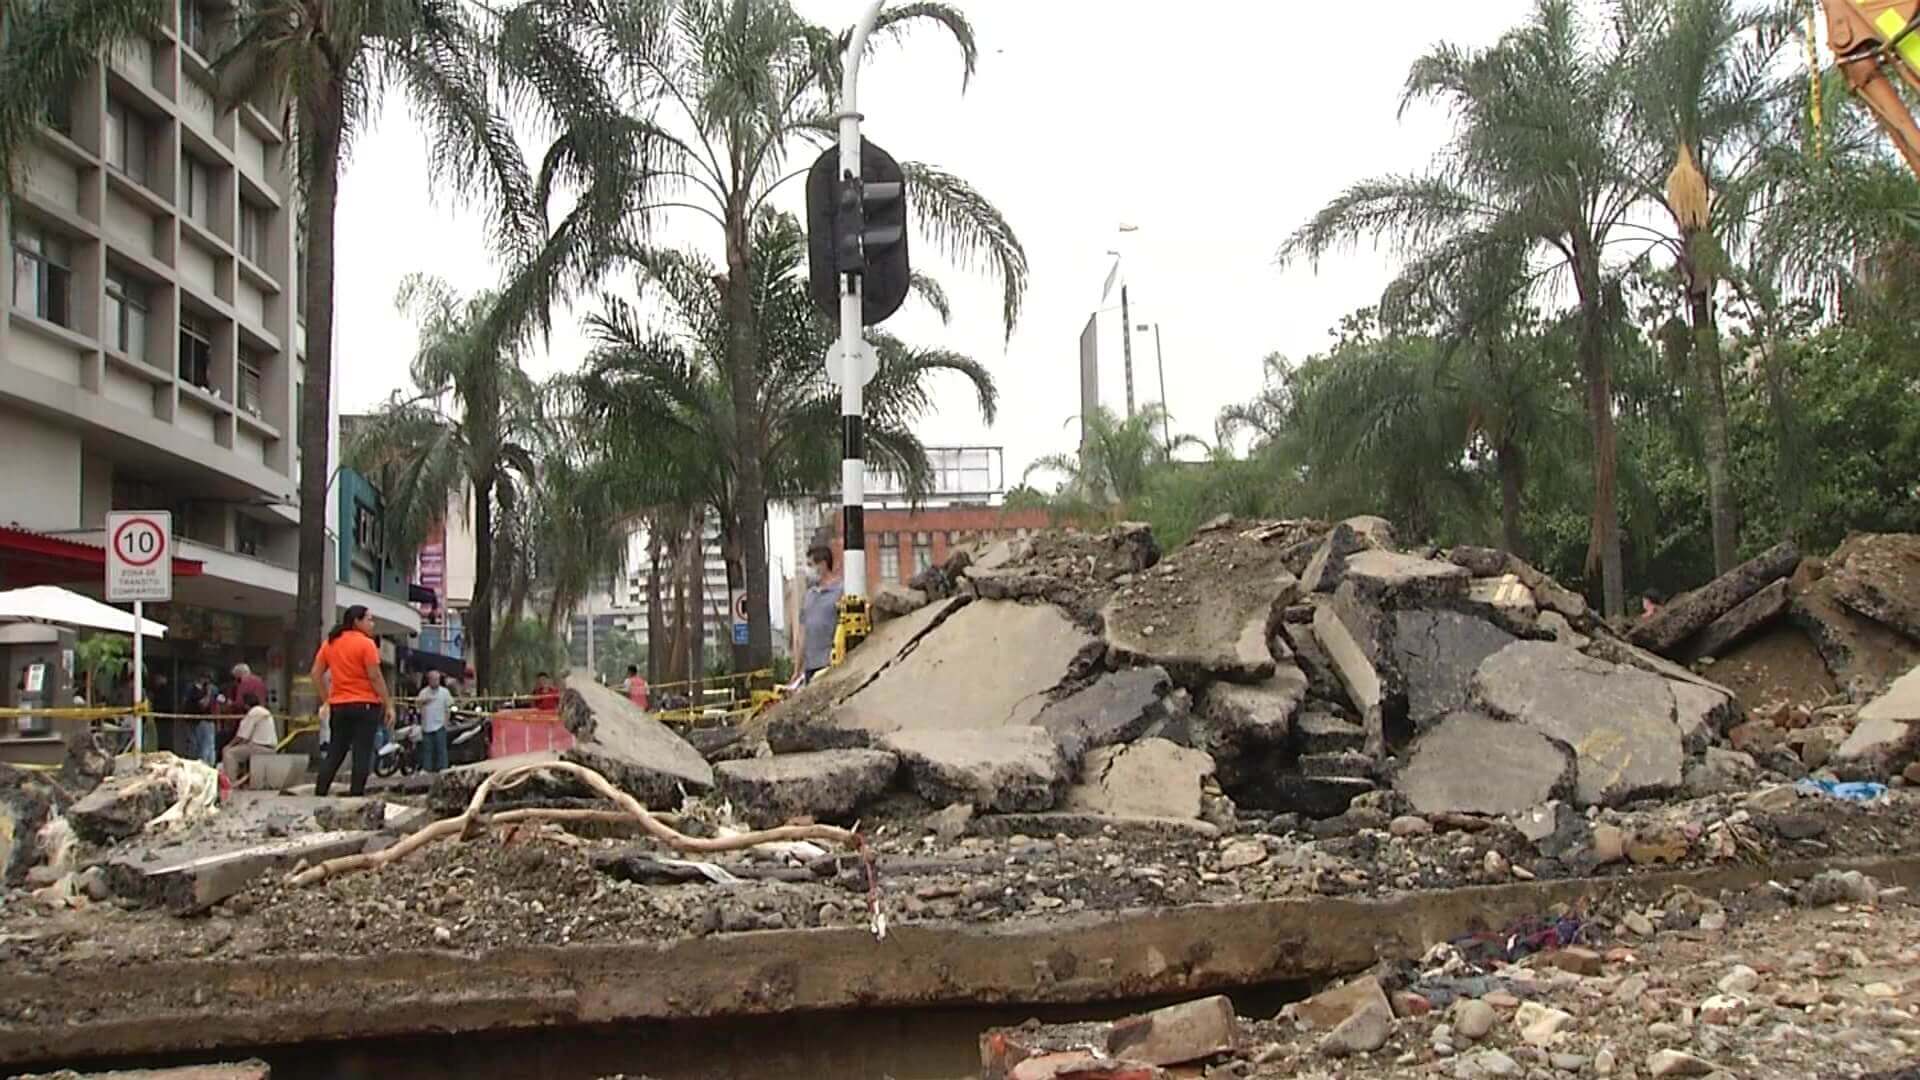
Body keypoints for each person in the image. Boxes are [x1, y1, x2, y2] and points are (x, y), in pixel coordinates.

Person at [309, 605, 393, 797]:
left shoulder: (330, 643)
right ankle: (356, 795)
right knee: (362, 752)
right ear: (357, 621)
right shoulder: (366, 644)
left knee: (335, 752)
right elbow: (375, 676)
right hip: (365, 705)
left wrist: (327, 699)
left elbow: (315, 673)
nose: (372, 624)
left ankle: (320, 792)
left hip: (339, 706)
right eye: (369, 619)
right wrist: (388, 704)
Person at [793, 544, 845, 681]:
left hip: (832, 664)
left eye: (810, 564)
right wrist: (797, 669)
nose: (807, 570)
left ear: (822, 564)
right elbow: (802, 633)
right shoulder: (809, 596)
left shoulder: (841, 591)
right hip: (810, 667)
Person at [221, 693, 276, 785]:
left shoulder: (253, 712)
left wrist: (229, 745)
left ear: (246, 705)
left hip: (259, 747)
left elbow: (242, 735)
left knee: (229, 753)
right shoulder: (265, 711)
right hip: (270, 747)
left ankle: (230, 782)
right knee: (241, 750)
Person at [415, 670, 453, 773]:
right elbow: (417, 707)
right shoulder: (423, 693)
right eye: (433, 679)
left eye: (437, 679)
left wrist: (446, 722)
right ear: (429, 680)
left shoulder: (445, 692)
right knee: (427, 750)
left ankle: (443, 771)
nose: (435, 681)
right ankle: (427, 770)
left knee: (441, 750)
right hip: (426, 726)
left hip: (440, 725)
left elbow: (449, 708)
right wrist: (422, 702)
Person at [181, 672, 218, 766]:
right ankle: (202, 765)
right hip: (199, 720)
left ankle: (207, 765)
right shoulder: (193, 689)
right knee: (201, 746)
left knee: (207, 746)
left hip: (206, 720)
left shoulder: (211, 689)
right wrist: (208, 694)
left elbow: (220, 701)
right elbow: (203, 705)